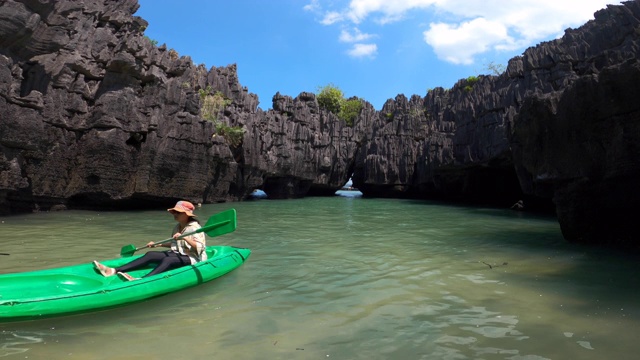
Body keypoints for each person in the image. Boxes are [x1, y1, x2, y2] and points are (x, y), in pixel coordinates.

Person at [93, 200, 207, 281]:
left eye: (178, 212)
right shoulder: (177, 227)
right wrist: (158, 245)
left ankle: (143, 280)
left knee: (168, 261)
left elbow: (200, 248)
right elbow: (176, 245)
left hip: (193, 257)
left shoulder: (194, 228)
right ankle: (114, 270)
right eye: (174, 212)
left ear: (187, 215)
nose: (175, 214)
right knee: (150, 254)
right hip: (179, 253)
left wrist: (185, 237)